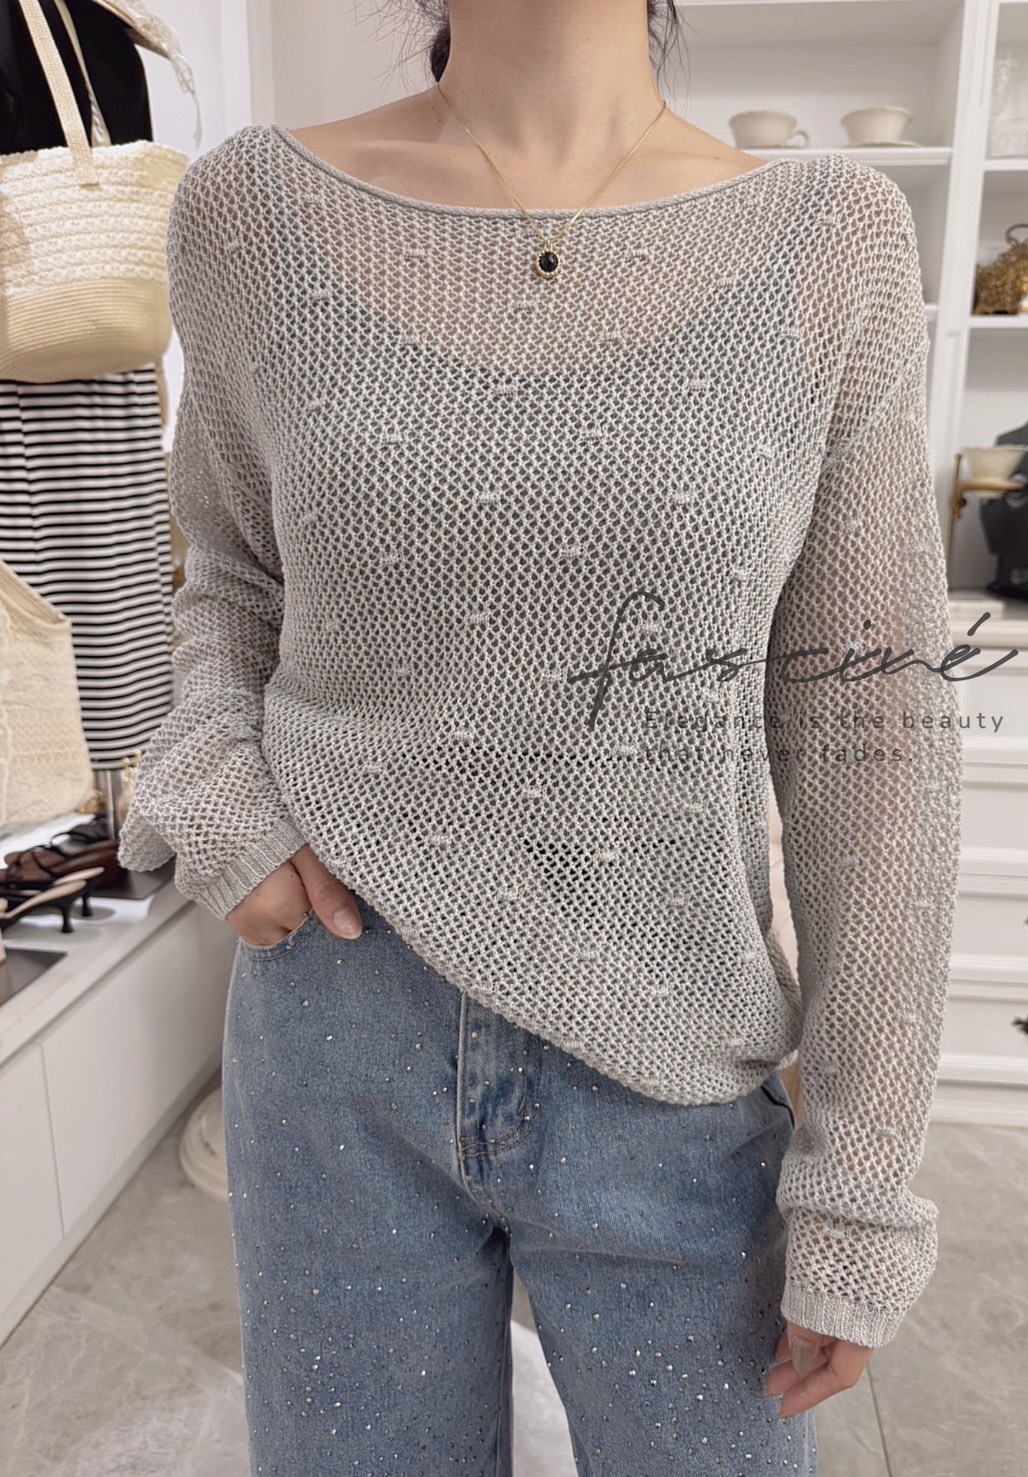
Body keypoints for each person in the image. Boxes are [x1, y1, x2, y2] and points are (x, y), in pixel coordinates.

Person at [117, 0, 963, 1471]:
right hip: (336, 1024)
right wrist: (213, 783)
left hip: (675, 1048)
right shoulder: (252, 209)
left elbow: (868, 730)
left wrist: (863, 1174)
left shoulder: (833, 241)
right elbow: (228, 578)